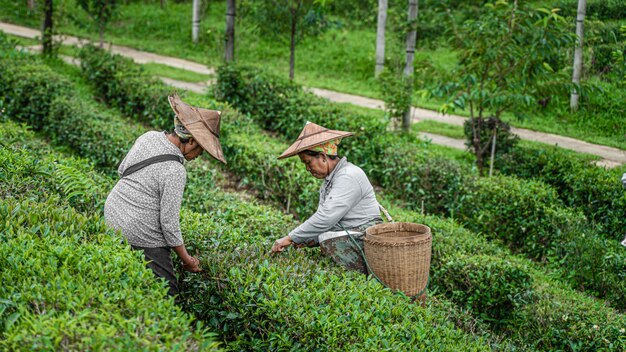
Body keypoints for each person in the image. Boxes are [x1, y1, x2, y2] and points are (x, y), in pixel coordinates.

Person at [104, 94, 226, 296]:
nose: (198, 157)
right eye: (202, 151)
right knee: (168, 293)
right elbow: (168, 223)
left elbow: (121, 170)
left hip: (113, 214)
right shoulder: (175, 171)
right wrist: (187, 260)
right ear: (192, 142)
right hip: (139, 232)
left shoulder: (149, 136)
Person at [270, 121, 383, 272]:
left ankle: (358, 279)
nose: (307, 169)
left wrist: (290, 238)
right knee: (321, 238)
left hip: (367, 238)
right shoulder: (330, 182)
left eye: (308, 163)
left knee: (327, 239)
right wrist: (310, 239)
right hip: (354, 234)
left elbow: (326, 218)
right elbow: (332, 223)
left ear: (323, 157)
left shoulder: (348, 176)